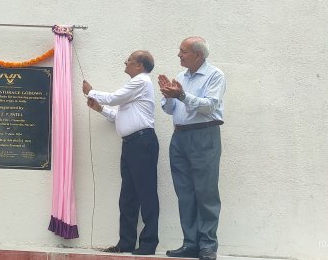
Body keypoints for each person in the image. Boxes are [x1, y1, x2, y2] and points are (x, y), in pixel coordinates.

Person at [83, 50, 159, 256]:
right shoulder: (135, 87)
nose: (125, 62)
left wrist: (91, 92)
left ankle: (148, 244)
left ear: (140, 66)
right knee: (128, 196)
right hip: (131, 144)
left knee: (146, 193)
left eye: (130, 60)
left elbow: (114, 98)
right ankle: (125, 243)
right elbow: (119, 114)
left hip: (142, 142)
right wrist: (100, 109)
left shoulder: (141, 81)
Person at [158, 36, 226, 260]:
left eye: (183, 51)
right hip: (180, 137)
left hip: (204, 135)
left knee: (205, 192)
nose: (179, 54)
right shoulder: (180, 77)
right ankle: (190, 243)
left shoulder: (215, 75)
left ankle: (208, 246)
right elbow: (170, 110)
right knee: (185, 193)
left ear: (198, 54)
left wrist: (182, 95)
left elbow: (209, 106)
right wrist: (168, 95)